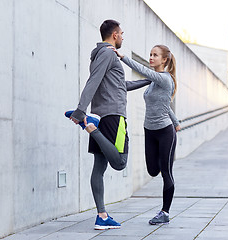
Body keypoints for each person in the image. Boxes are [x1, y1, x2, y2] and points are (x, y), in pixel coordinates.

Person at [69, 19, 150, 230]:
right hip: (113, 116)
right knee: (120, 162)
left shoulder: (100, 56)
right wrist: (80, 110)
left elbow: (120, 85)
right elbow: (93, 81)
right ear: (114, 35)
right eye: (121, 33)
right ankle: (90, 127)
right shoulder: (108, 53)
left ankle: (102, 216)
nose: (123, 37)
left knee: (99, 167)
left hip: (101, 114)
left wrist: (148, 79)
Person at [112, 45, 181, 225]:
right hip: (149, 130)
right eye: (150, 54)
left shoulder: (164, 78)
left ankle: (165, 212)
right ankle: (163, 162)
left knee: (166, 172)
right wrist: (177, 121)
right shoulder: (154, 82)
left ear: (164, 60)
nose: (151, 58)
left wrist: (123, 57)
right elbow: (164, 104)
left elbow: (142, 70)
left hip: (165, 132)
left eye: (155, 55)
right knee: (152, 169)